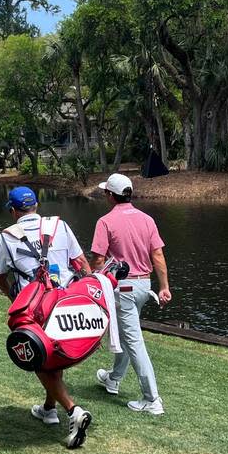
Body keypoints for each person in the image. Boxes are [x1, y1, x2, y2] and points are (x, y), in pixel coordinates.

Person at [0, 186, 95, 449]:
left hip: (35, 307)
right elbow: (82, 263)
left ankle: (73, 411)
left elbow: (0, 276)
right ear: (36, 206)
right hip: (65, 300)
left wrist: (15, 300)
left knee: (39, 358)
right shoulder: (59, 225)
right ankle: (49, 409)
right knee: (53, 355)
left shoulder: (5, 237)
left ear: (14, 211)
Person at [90, 173, 171, 415]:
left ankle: (151, 399)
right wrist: (164, 286)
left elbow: (98, 260)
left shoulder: (105, 221)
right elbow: (157, 255)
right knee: (127, 334)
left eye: (106, 192)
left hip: (122, 288)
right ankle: (113, 379)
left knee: (134, 340)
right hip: (144, 287)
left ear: (110, 195)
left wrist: (95, 283)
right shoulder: (147, 219)